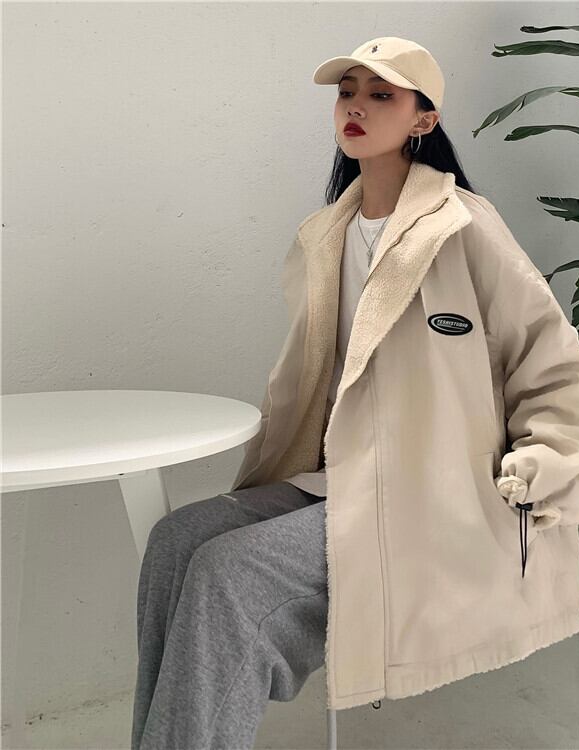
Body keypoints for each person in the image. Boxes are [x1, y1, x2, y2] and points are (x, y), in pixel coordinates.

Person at [131, 36, 480, 749]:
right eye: (347, 92)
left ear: (424, 119)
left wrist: (538, 479)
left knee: (228, 572)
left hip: (421, 489)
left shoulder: (463, 228)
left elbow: (549, 365)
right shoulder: (325, 235)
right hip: (335, 473)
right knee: (174, 541)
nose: (356, 106)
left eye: (381, 94)